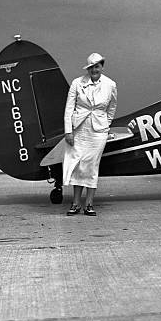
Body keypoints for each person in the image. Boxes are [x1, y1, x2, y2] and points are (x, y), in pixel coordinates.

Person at [63, 53, 117, 216]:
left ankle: (89, 204)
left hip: (98, 131)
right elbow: (69, 108)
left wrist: (106, 124)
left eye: (97, 66)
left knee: (91, 166)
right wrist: (68, 130)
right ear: (88, 68)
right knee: (78, 165)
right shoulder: (77, 83)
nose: (94, 70)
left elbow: (112, 106)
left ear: (102, 66)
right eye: (91, 67)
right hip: (79, 129)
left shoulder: (110, 84)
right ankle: (75, 204)